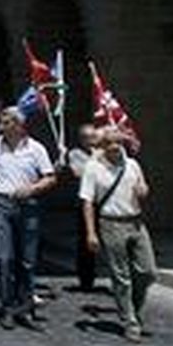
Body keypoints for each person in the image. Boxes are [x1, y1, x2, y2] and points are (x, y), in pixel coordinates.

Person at [82, 127, 156, 342]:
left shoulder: (132, 164)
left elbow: (142, 186)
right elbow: (87, 202)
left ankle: (133, 307)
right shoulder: (93, 168)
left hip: (135, 222)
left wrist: (143, 189)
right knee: (121, 276)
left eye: (118, 143)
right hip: (110, 224)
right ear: (103, 146)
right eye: (110, 143)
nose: (115, 147)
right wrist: (91, 233)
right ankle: (130, 320)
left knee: (147, 271)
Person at [0, 107, 57, 328]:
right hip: (2, 204)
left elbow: (50, 178)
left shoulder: (36, 149)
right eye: (2, 122)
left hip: (28, 205)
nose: (2, 126)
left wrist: (33, 189)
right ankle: (7, 307)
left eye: (7, 122)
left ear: (18, 125)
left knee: (27, 260)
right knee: (4, 258)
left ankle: (25, 307)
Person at [65, 123, 102, 293]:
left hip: (104, 203)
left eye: (93, 137)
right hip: (86, 203)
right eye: (87, 137)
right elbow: (79, 173)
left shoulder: (104, 153)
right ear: (81, 139)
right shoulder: (75, 154)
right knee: (85, 242)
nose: (91, 141)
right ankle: (86, 279)